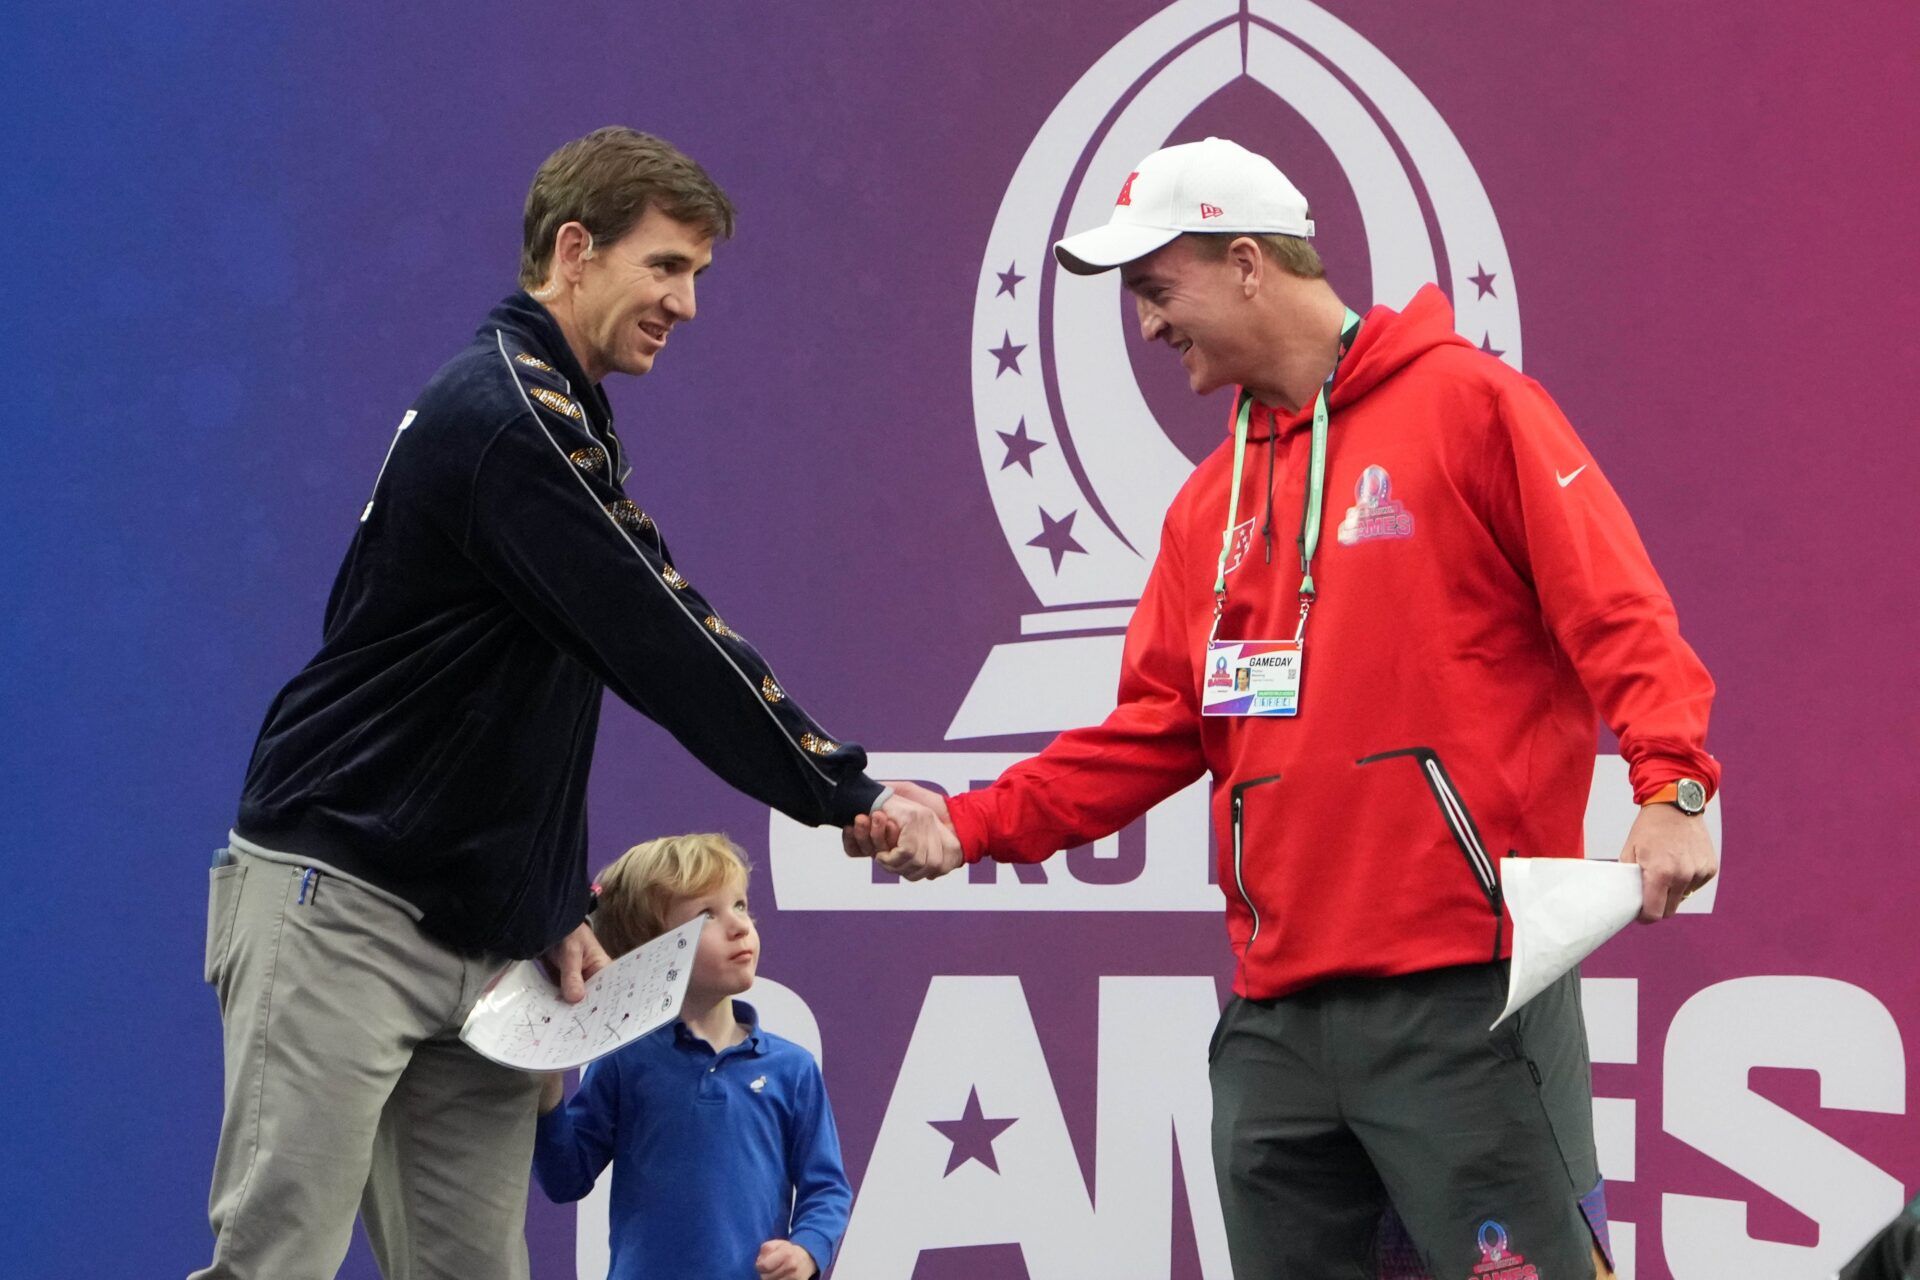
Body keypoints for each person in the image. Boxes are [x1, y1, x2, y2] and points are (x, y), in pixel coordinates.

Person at [848, 137, 1719, 1279]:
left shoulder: (1473, 406)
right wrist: (969, 823)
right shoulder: (1206, 504)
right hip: (1276, 1020)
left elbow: (1617, 610)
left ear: (1249, 263)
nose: (1148, 327)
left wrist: (1674, 782)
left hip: (1464, 994)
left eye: (1158, 291)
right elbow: (1153, 728)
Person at [193, 126, 955, 1280]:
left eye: (698, 273)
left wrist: (547, 894)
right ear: (574, 248)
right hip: (339, 904)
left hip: (484, 940)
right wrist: (837, 784)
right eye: (666, 266)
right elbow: (662, 632)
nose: (688, 303)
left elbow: (508, 699)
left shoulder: (558, 416)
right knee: (275, 1260)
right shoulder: (511, 416)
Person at [533, 834, 851, 1280]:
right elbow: (566, 1178)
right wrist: (544, 1094)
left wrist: (807, 1250)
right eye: (706, 915)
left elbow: (827, 1189)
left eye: (740, 905)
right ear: (650, 948)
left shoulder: (792, 1068)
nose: (740, 926)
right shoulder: (624, 1060)